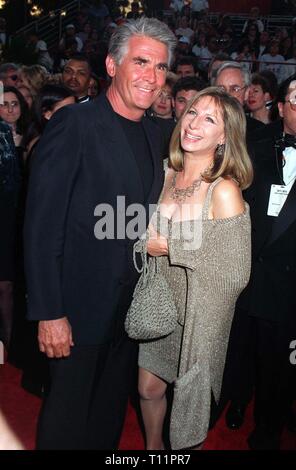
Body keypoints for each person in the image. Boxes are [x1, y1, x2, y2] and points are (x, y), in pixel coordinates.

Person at [24, 17, 176, 450]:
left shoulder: (156, 132)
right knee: (66, 420)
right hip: (76, 308)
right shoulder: (75, 123)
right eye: (141, 62)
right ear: (111, 65)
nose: (152, 77)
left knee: (107, 418)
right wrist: (49, 312)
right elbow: (41, 226)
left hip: (128, 312)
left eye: (161, 67)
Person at [137, 86, 253, 450]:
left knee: (188, 413)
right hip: (159, 303)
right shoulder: (165, 173)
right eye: (191, 112)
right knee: (147, 389)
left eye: (209, 119)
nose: (194, 123)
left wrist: (171, 247)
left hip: (200, 315)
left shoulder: (224, 190)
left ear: (225, 136)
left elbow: (236, 273)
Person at [224, 74, 296, 449]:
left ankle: (268, 430)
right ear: (281, 107)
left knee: (279, 369)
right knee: (239, 351)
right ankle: (237, 401)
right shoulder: (254, 144)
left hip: (288, 286)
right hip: (246, 273)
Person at [0, 121, 20, 349]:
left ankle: (9, 343)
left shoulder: (3, 131)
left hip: (4, 215)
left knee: (5, 285)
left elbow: (14, 177)